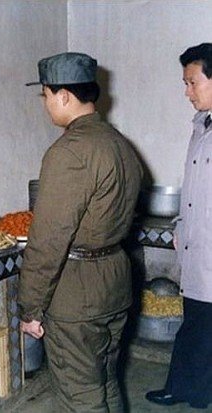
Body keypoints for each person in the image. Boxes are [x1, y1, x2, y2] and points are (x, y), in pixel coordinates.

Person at [18, 52, 143, 412]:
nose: (45, 104)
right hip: (115, 281)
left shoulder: (69, 152)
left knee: (81, 397)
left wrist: (30, 308)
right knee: (106, 381)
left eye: (45, 95)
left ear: (63, 96)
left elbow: (48, 241)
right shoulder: (119, 143)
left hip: (77, 293)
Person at [145, 43, 212, 410]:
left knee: (203, 326)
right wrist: (181, 226)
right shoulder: (202, 125)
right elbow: (195, 188)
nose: (187, 92)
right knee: (197, 324)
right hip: (197, 247)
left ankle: (193, 392)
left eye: (192, 82)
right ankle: (187, 389)